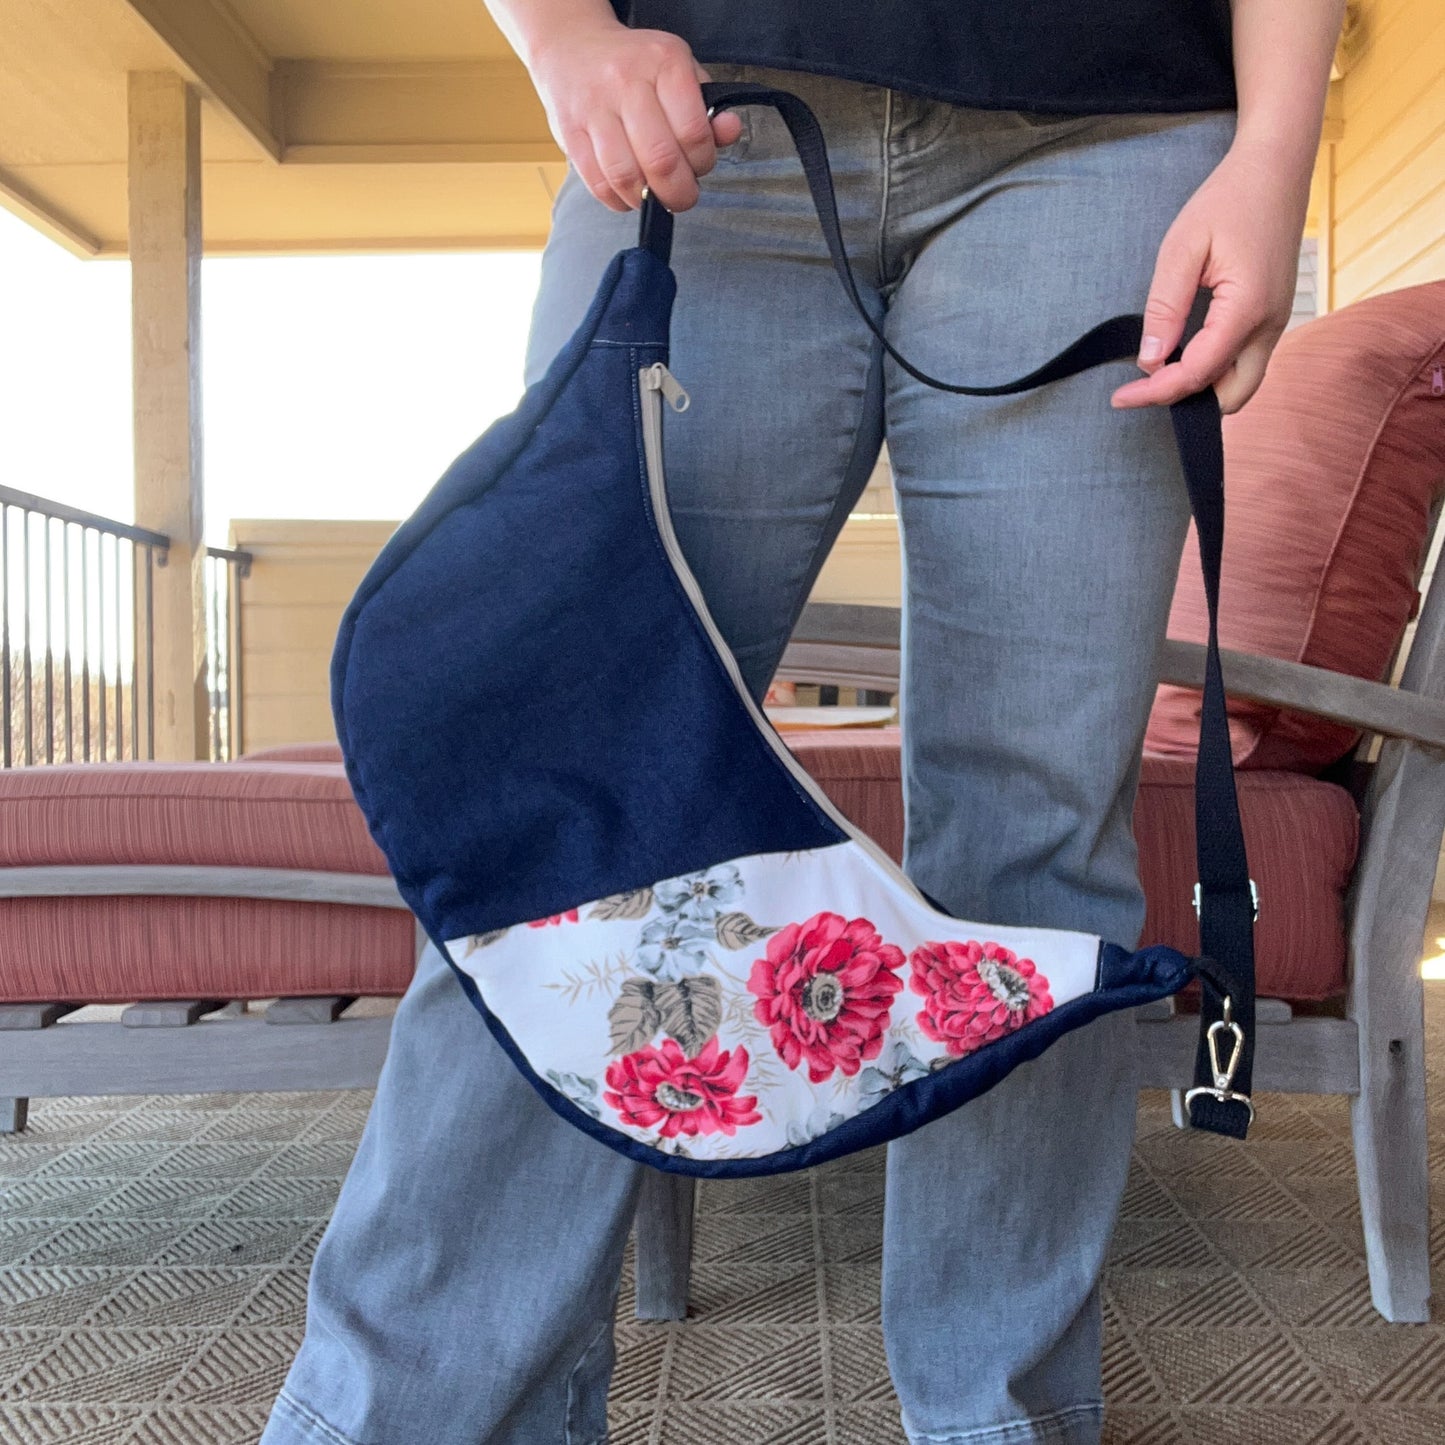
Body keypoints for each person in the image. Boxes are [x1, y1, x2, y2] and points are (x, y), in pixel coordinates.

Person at [261, 3, 1344, 1442]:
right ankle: (406, 1421)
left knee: (1032, 841)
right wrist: (560, 36)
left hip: (1113, 139)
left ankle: (995, 1419)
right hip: (701, 122)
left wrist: (1277, 143)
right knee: (559, 831)